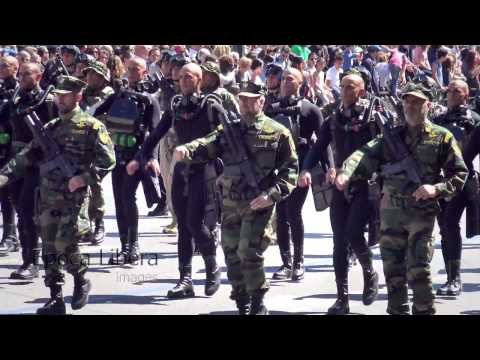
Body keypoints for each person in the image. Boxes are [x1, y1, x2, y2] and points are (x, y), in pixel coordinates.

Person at [337, 83, 468, 315]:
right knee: (393, 272)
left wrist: (436, 188)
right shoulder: (391, 137)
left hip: (421, 214)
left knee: (419, 271)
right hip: (391, 214)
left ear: (427, 104)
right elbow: (364, 154)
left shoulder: (441, 137)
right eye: (407, 101)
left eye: (416, 101)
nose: (411, 106)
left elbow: (460, 174)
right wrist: (346, 172)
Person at [174, 82, 298, 314]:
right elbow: (207, 143)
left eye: (250, 99)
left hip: (258, 201)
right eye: (241, 99)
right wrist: (187, 150)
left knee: (249, 251)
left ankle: (258, 301)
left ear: (261, 101)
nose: (245, 103)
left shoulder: (278, 132)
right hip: (231, 202)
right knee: (231, 253)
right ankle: (242, 300)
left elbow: (290, 170)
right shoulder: (229, 130)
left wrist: (271, 196)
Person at [0, 75, 116, 315]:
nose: (60, 99)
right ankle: (56, 297)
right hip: (47, 196)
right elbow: (26, 156)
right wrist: (3, 176)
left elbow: (108, 161)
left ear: (77, 96)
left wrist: (82, 178)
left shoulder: (91, 126)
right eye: (58, 95)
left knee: (66, 243)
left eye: (65, 95)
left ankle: (82, 277)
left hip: (73, 197)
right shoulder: (50, 127)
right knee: (50, 248)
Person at [127, 63, 223, 299]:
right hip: (182, 171)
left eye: (188, 77)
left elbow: (224, 134)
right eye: (180, 78)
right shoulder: (177, 105)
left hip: (205, 170)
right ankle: (185, 279)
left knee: (194, 222)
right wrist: (143, 157)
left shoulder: (211, 106)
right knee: (183, 225)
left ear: (200, 80)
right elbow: (157, 132)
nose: (183, 81)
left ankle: (212, 267)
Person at [298, 73, 381, 315]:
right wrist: (305, 169)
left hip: (365, 183)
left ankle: (369, 271)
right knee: (338, 243)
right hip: (340, 186)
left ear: (361, 91)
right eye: (342, 85)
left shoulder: (371, 117)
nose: (344, 90)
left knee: (354, 233)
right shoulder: (334, 118)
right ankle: (341, 299)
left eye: (350, 86)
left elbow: (383, 149)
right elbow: (318, 146)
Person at [93, 56, 159, 265]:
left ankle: (134, 246)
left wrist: (151, 158)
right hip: (118, 154)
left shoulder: (149, 100)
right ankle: (124, 247)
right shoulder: (119, 96)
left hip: (138, 155)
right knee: (121, 201)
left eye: (135, 69)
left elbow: (155, 132)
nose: (131, 72)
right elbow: (97, 114)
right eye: (128, 68)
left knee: (128, 197)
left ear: (144, 72)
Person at [264, 67, 328, 281]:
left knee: (293, 212)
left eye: (290, 79)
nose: (284, 82)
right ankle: (286, 263)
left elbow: (323, 142)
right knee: (281, 216)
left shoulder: (310, 110)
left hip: (301, 167)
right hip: (278, 168)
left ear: (300, 83)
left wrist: (330, 168)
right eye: (282, 79)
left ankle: (299, 261)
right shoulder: (271, 109)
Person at [0, 62, 58, 279]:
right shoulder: (14, 100)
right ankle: (30, 258)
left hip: (38, 163)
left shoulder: (47, 101)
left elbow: (57, 131)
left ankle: (33, 262)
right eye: (21, 74)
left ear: (39, 75)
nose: (22, 78)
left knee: (28, 211)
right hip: (16, 162)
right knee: (22, 212)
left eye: (27, 74)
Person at [433, 80, 480, 296]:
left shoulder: (475, 121)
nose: (452, 94)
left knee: (451, 223)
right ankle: (452, 278)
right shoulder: (438, 120)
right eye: (449, 90)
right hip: (442, 179)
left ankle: (456, 279)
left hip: (465, 179)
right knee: (445, 228)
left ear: (466, 95)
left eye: (457, 91)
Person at [79, 61, 115, 245]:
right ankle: (84, 226)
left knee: (95, 183)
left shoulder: (108, 95)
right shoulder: (83, 93)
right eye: (88, 74)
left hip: (101, 145)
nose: (90, 77)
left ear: (103, 78)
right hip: (82, 144)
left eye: (94, 74)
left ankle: (99, 223)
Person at [0, 56, 19, 254]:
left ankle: (11, 235)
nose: (2, 68)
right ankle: (10, 235)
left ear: (15, 68)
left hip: (14, 148)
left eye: (6, 65)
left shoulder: (18, 91)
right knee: (3, 194)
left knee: (11, 194)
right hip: (1, 146)